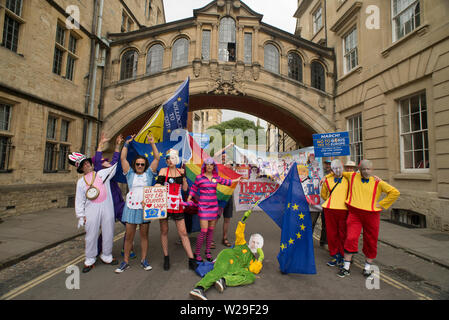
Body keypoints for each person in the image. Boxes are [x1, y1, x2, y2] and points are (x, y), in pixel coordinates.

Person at [335, 160, 400, 278]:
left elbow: (394, 192)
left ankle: (367, 268)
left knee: (371, 240)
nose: (366, 171)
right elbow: (337, 172)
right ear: (359, 169)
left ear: (372, 169)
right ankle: (346, 267)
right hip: (355, 213)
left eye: (368, 169)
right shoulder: (353, 176)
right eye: (363, 169)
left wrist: (381, 204)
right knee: (350, 238)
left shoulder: (378, 182)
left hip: (371, 215)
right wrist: (325, 178)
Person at [189, 207, 264, 300]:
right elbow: (239, 232)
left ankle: (224, 280)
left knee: (251, 277)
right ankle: (199, 288)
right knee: (219, 271)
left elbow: (254, 270)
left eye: (258, 243)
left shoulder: (253, 260)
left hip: (236, 269)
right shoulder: (242, 243)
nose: (254, 244)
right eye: (253, 241)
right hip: (228, 257)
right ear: (250, 241)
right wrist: (244, 219)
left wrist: (261, 257)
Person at [115, 133, 160, 273]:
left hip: (144, 208)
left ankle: (144, 260)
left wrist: (152, 143)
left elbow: (157, 158)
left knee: (144, 236)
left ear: (144, 165)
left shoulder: (148, 174)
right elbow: (122, 158)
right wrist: (126, 144)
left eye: (142, 164)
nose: (140, 166)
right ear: (134, 165)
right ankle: (125, 262)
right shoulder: (129, 173)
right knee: (129, 236)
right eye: (138, 164)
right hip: (130, 207)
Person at [69, 152, 118, 273]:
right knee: (91, 235)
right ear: (80, 168)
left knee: (109, 232)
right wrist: (81, 216)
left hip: (106, 207)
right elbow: (79, 200)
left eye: (87, 162)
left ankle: (107, 255)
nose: (86, 165)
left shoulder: (101, 174)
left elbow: (114, 167)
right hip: (91, 209)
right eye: (83, 164)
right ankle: (89, 259)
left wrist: (120, 149)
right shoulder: (81, 182)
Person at [186, 158, 241, 262]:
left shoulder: (216, 178)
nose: (209, 166)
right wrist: (189, 198)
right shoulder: (199, 178)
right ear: (205, 166)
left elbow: (226, 181)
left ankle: (207, 252)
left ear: (214, 166)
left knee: (211, 231)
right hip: (203, 207)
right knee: (203, 231)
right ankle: (197, 253)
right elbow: (193, 188)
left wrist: (237, 180)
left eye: (211, 165)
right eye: (207, 164)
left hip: (213, 207)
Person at [92, 133, 135, 259]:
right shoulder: (99, 173)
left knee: (130, 224)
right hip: (107, 206)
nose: (107, 162)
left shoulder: (110, 171)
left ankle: (126, 248)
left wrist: (118, 145)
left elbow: (116, 160)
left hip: (119, 204)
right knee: (105, 232)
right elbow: (98, 161)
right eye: (103, 161)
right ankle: (96, 252)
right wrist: (100, 145)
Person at [154, 149, 197, 271]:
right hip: (165, 204)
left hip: (177, 203)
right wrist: (149, 195)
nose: (169, 160)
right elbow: (158, 184)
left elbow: (184, 189)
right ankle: (166, 257)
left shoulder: (182, 171)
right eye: (167, 158)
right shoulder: (163, 171)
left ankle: (191, 259)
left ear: (176, 159)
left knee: (183, 232)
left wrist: (183, 178)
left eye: (172, 158)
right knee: (164, 230)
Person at [320, 159, 349, 268]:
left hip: (344, 210)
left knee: (343, 234)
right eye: (335, 168)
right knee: (332, 233)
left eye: (339, 167)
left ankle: (343, 255)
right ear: (332, 170)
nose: (337, 170)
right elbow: (323, 194)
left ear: (343, 168)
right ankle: (335, 255)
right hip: (330, 209)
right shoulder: (328, 180)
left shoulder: (348, 179)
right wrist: (332, 200)